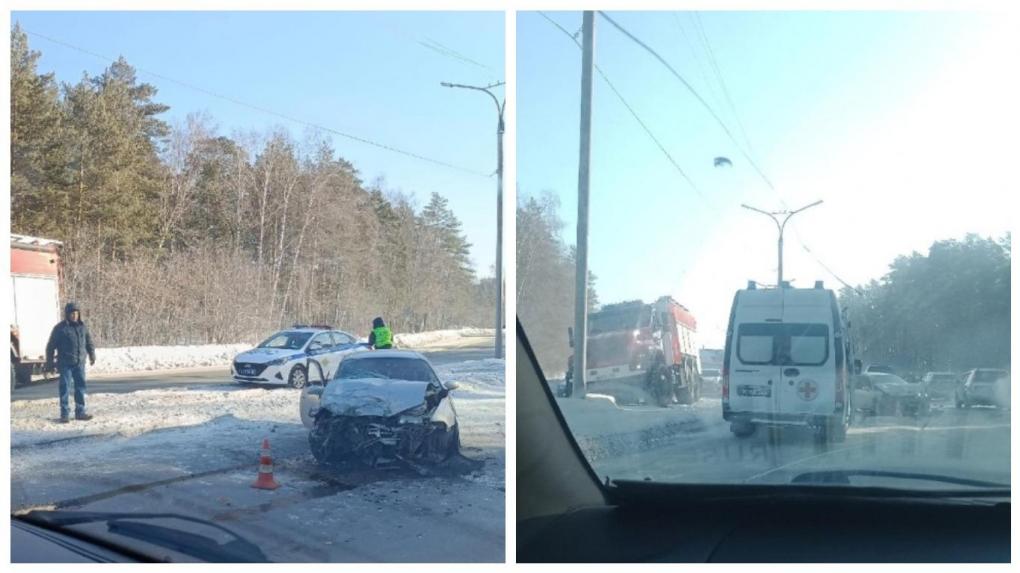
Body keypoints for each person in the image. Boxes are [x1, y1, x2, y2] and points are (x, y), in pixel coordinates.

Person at [45, 302, 96, 423]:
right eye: (72, 313)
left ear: (79, 314)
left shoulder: (83, 327)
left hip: (79, 363)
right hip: (65, 364)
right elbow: (50, 347)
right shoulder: (60, 329)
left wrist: (92, 354)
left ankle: (80, 412)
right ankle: (64, 414)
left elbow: (89, 342)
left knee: (80, 388)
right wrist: (50, 363)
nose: (74, 316)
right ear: (67, 315)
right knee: (65, 389)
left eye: (76, 313)